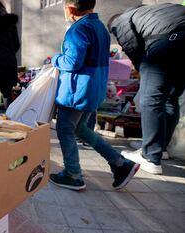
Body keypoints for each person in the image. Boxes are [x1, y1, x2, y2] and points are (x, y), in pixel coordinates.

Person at [49, 0, 140, 191]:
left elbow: (72, 62)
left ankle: (73, 175)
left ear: (70, 8)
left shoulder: (78, 29)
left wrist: (55, 59)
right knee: (81, 129)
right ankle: (120, 164)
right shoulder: (99, 27)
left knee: (65, 130)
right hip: (93, 89)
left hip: (76, 91)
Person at [108, 4, 185, 174]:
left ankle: (150, 157)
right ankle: (161, 149)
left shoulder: (121, 21)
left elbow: (132, 47)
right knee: (170, 98)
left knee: (151, 99)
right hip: (182, 44)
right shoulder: (151, 11)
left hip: (168, 43)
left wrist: (143, 71)